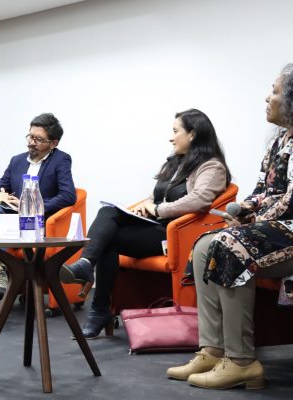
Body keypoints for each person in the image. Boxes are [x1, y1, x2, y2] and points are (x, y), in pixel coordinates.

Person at [167, 63, 293, 390]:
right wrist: (244, 212)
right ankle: (213, 350)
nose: (267, 98)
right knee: (204, 245)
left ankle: (242, 361)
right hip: (277, 228)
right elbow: (261, 190)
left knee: (229, 246)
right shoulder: (278, 142)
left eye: (275, 91)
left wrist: (255, 220)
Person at [60, 109, 231, 339]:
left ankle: (96, 300)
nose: (171, 138)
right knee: (108, 213)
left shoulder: (212, 167)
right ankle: (89, 275)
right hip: (156, 227)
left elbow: (199, 200)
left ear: (192, 134)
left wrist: (157, 209)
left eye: (175, 131)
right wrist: (145, 206)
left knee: (109, 236)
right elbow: (156, 195)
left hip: (175, 235)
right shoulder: (175, 162)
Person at [0, 113, 76, 325]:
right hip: (11, 221)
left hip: (37, 224)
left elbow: (68, 196)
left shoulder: (61, 160)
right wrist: (4, 198)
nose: (31, 142)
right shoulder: (17, 161)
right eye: (30, 136)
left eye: (38, 139)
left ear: (53, 143)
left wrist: (31, 205)